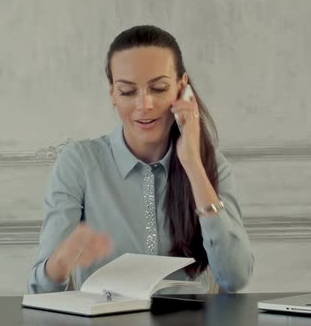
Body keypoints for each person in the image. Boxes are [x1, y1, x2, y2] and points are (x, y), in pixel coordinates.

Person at [27, 25, 254, 294]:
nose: (144, 104)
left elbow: (235, 278)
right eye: (127, 91)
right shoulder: (79, 163)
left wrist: (193, 165)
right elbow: (40, 294)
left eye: (158, 88)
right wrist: (63, 259)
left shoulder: (209, 164)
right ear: (112, 94)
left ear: (182, 89)